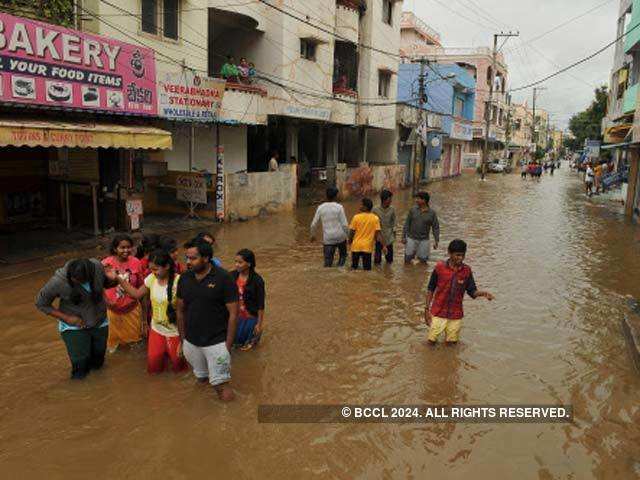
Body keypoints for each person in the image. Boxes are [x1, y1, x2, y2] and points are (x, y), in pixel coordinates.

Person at [177, 240, 238, 401]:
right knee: (201, 379)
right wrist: (183, 340)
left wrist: (228, 345)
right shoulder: (184, 278)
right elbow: (180, 310)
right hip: (191, 341)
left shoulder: (224, 278)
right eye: (187, 258)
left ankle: (230, 421)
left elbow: (233, 314)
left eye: (193, 258)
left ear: (206, 258)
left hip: (217, 342)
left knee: (221, 385)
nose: (188, 262)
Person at [36, 259, 117, 379]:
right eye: (75, 279)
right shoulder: (58, 282)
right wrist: (67, 318)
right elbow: (41, 303)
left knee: (99, 361)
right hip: (74, 327)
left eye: (81, 280)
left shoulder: (97, 267)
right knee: (80, 367)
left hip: (99, 321)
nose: (77, 282)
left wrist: (113, 278)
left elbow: (104, 284)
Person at [115, 250, 186, 374]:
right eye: (151, 269)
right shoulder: (151, 278)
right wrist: (118, 279)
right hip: (156, 330)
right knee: (153, 368)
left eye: (156, 269)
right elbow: (136, 294)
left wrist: (183, 341)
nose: (153, 273)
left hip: (175, 333)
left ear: (167, 266)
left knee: (179, 370)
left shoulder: (180, 282)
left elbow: (186, 313)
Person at [424, 239, 494, 345]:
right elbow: (430, 288)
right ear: (449, 253)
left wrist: (482, 293)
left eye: (462, 255)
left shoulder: (466, 271)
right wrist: (426, 310)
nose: (460, 258)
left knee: (451, 345)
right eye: (457, 255)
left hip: (456, 314)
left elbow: (472, 292)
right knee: (431, 342)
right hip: (438, 312)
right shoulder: (439, 268)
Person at [102, 235, 144, 353]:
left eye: (128, 247)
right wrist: (107, 302)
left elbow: (142, 287)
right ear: (115, 249)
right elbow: (98, 287)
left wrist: (144, 319)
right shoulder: (106, 263)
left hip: (132, 311)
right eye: (122, 247)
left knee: (135, 346)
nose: (126, 250)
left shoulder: (136, 262)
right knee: (113, 349)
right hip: (112, 312)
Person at [232, 249, 265, 351]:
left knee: (248, 347)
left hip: (250, 317)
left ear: (249, 264)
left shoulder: (257, 281)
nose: (236, 265)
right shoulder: (231, 276)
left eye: (240, 262)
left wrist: (259, 324)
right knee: (234, 344)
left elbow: (260, 304)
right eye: (235, 262)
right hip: (235, 316)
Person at [310, 187, 349, 267]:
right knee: (343, 256)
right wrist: (349, 236)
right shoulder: (339, 207)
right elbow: (344, 225)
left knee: (328, 262)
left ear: (326, 196)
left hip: (328, 238)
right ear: (336, 196)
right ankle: (340, 269)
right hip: (340, 237)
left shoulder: (320, 207)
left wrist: (313, 235)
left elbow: (313, 224)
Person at [348, 198, 385, 271]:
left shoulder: (356, 217)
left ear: (365, 207)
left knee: (353, 268)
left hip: (356, 246)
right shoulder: (375, 218)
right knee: (367, 270)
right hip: (367, 247)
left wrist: (349, 241)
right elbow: (378, 235)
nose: (360, 206)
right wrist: (384, 246)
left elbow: (351, 232)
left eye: (361, 204)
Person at [402, 192, 440, 264]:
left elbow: (435, 227)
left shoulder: (432, 213)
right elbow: (407, 224)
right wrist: (403, 236)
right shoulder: (412, 210)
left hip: (424, 240)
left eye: (418, 199)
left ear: (424, 200)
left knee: (423, 262)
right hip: (411, 239)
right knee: (407, 260)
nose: (416, 200)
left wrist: (436, 240)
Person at [372, 189, 396, 265]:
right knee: (377, 261)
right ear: (384, 200)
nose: (391, 201)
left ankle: (388, 275)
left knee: (389, 261)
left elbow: (394, 222)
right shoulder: (375, 210)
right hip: (379, 237)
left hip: (389, 238)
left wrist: (394, 235)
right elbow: (373, 225)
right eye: (389, 199)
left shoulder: (392, 209)